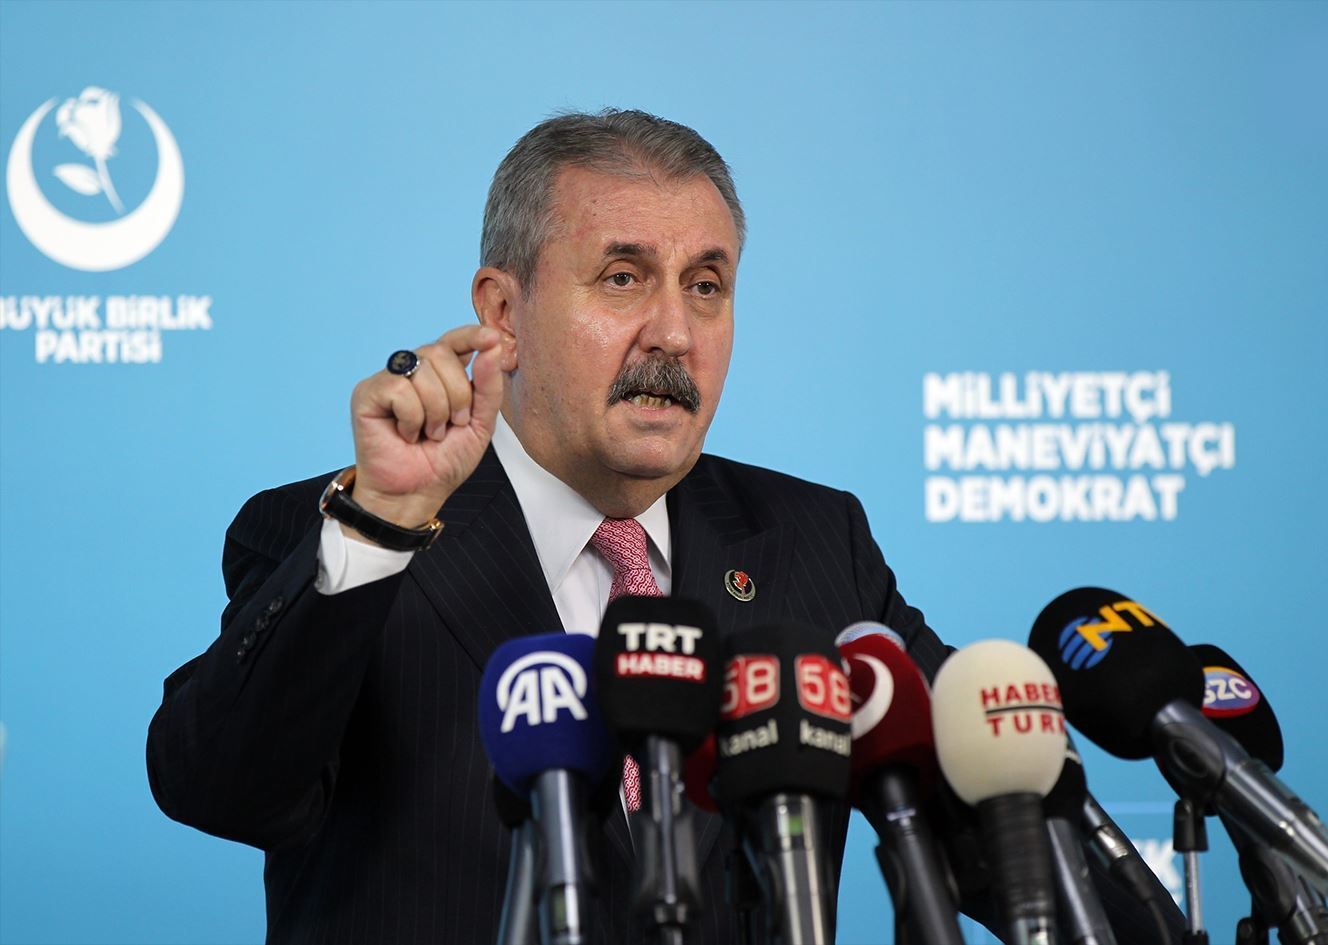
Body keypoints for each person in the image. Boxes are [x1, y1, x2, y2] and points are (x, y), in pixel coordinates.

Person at [146, 109, 951, 945]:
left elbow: (989, 825)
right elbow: (221, 788)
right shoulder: (351, 535)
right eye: (623, 278)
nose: (675, 332)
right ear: (503, 313)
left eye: (706, 285)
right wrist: (378, 526)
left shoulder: (814, 540)